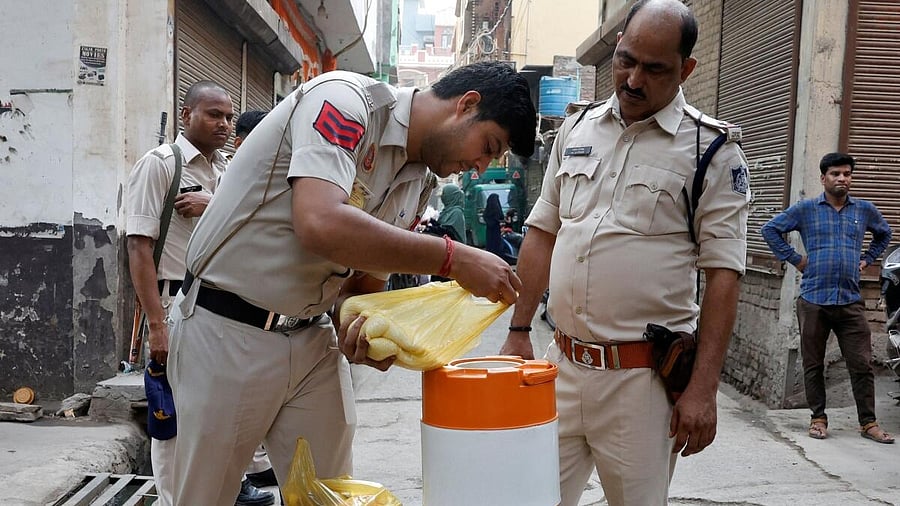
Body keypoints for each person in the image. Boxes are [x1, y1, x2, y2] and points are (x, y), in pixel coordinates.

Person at [166, 61, 536, 504]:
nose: (478, 167)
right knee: (205, 497)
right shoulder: (345, 101)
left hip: (310, 339)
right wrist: (453, 259)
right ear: (467, 104)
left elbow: (360, 290)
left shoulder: (417, 183)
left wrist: (365, 332)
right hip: (226, 328)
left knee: (329, 495)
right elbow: (319, 222)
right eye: (488, 146)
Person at [499, 1, 751, 504]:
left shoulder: (711, 152)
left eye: (654, 69)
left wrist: (702, 390)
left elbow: (725, 274)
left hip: (641, 385)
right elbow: (543, 232)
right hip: (562, 366)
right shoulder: (575, 129)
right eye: (626, 60)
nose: (633, 80)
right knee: (529, 496)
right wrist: (519, 329)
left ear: (686, 69)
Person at [126, 82, 275, 505]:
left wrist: (214, 203)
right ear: (185, 114)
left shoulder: (229, 168)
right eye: (214, 115)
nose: (225, 124)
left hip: (224, 309)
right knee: (172, 417)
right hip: (174, 305)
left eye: (229, 117)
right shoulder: (160, 165)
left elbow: (254, 223)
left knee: (217, 414)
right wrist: (156, 325)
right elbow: (138, 248)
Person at [761, 152, 894, 444]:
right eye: (835, 174)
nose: (842, 179)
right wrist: (795, 259)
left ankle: (868, 423)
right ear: (824, 178)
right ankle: (818, 418)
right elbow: (770, 229)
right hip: (813, 299)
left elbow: (885, 234)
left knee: (861, 363)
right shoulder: (806, 210)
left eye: (846, 174)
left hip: (849, 300)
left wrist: (868, 259)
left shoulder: (864, 210)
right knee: (813, 363)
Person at [483, 193, 504, 258]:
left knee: (490, 244)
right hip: (496, 230)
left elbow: (485, 217)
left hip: (489, 230)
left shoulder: (487, 210)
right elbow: (501, 216)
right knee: (496, 245)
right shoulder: (497, 210)